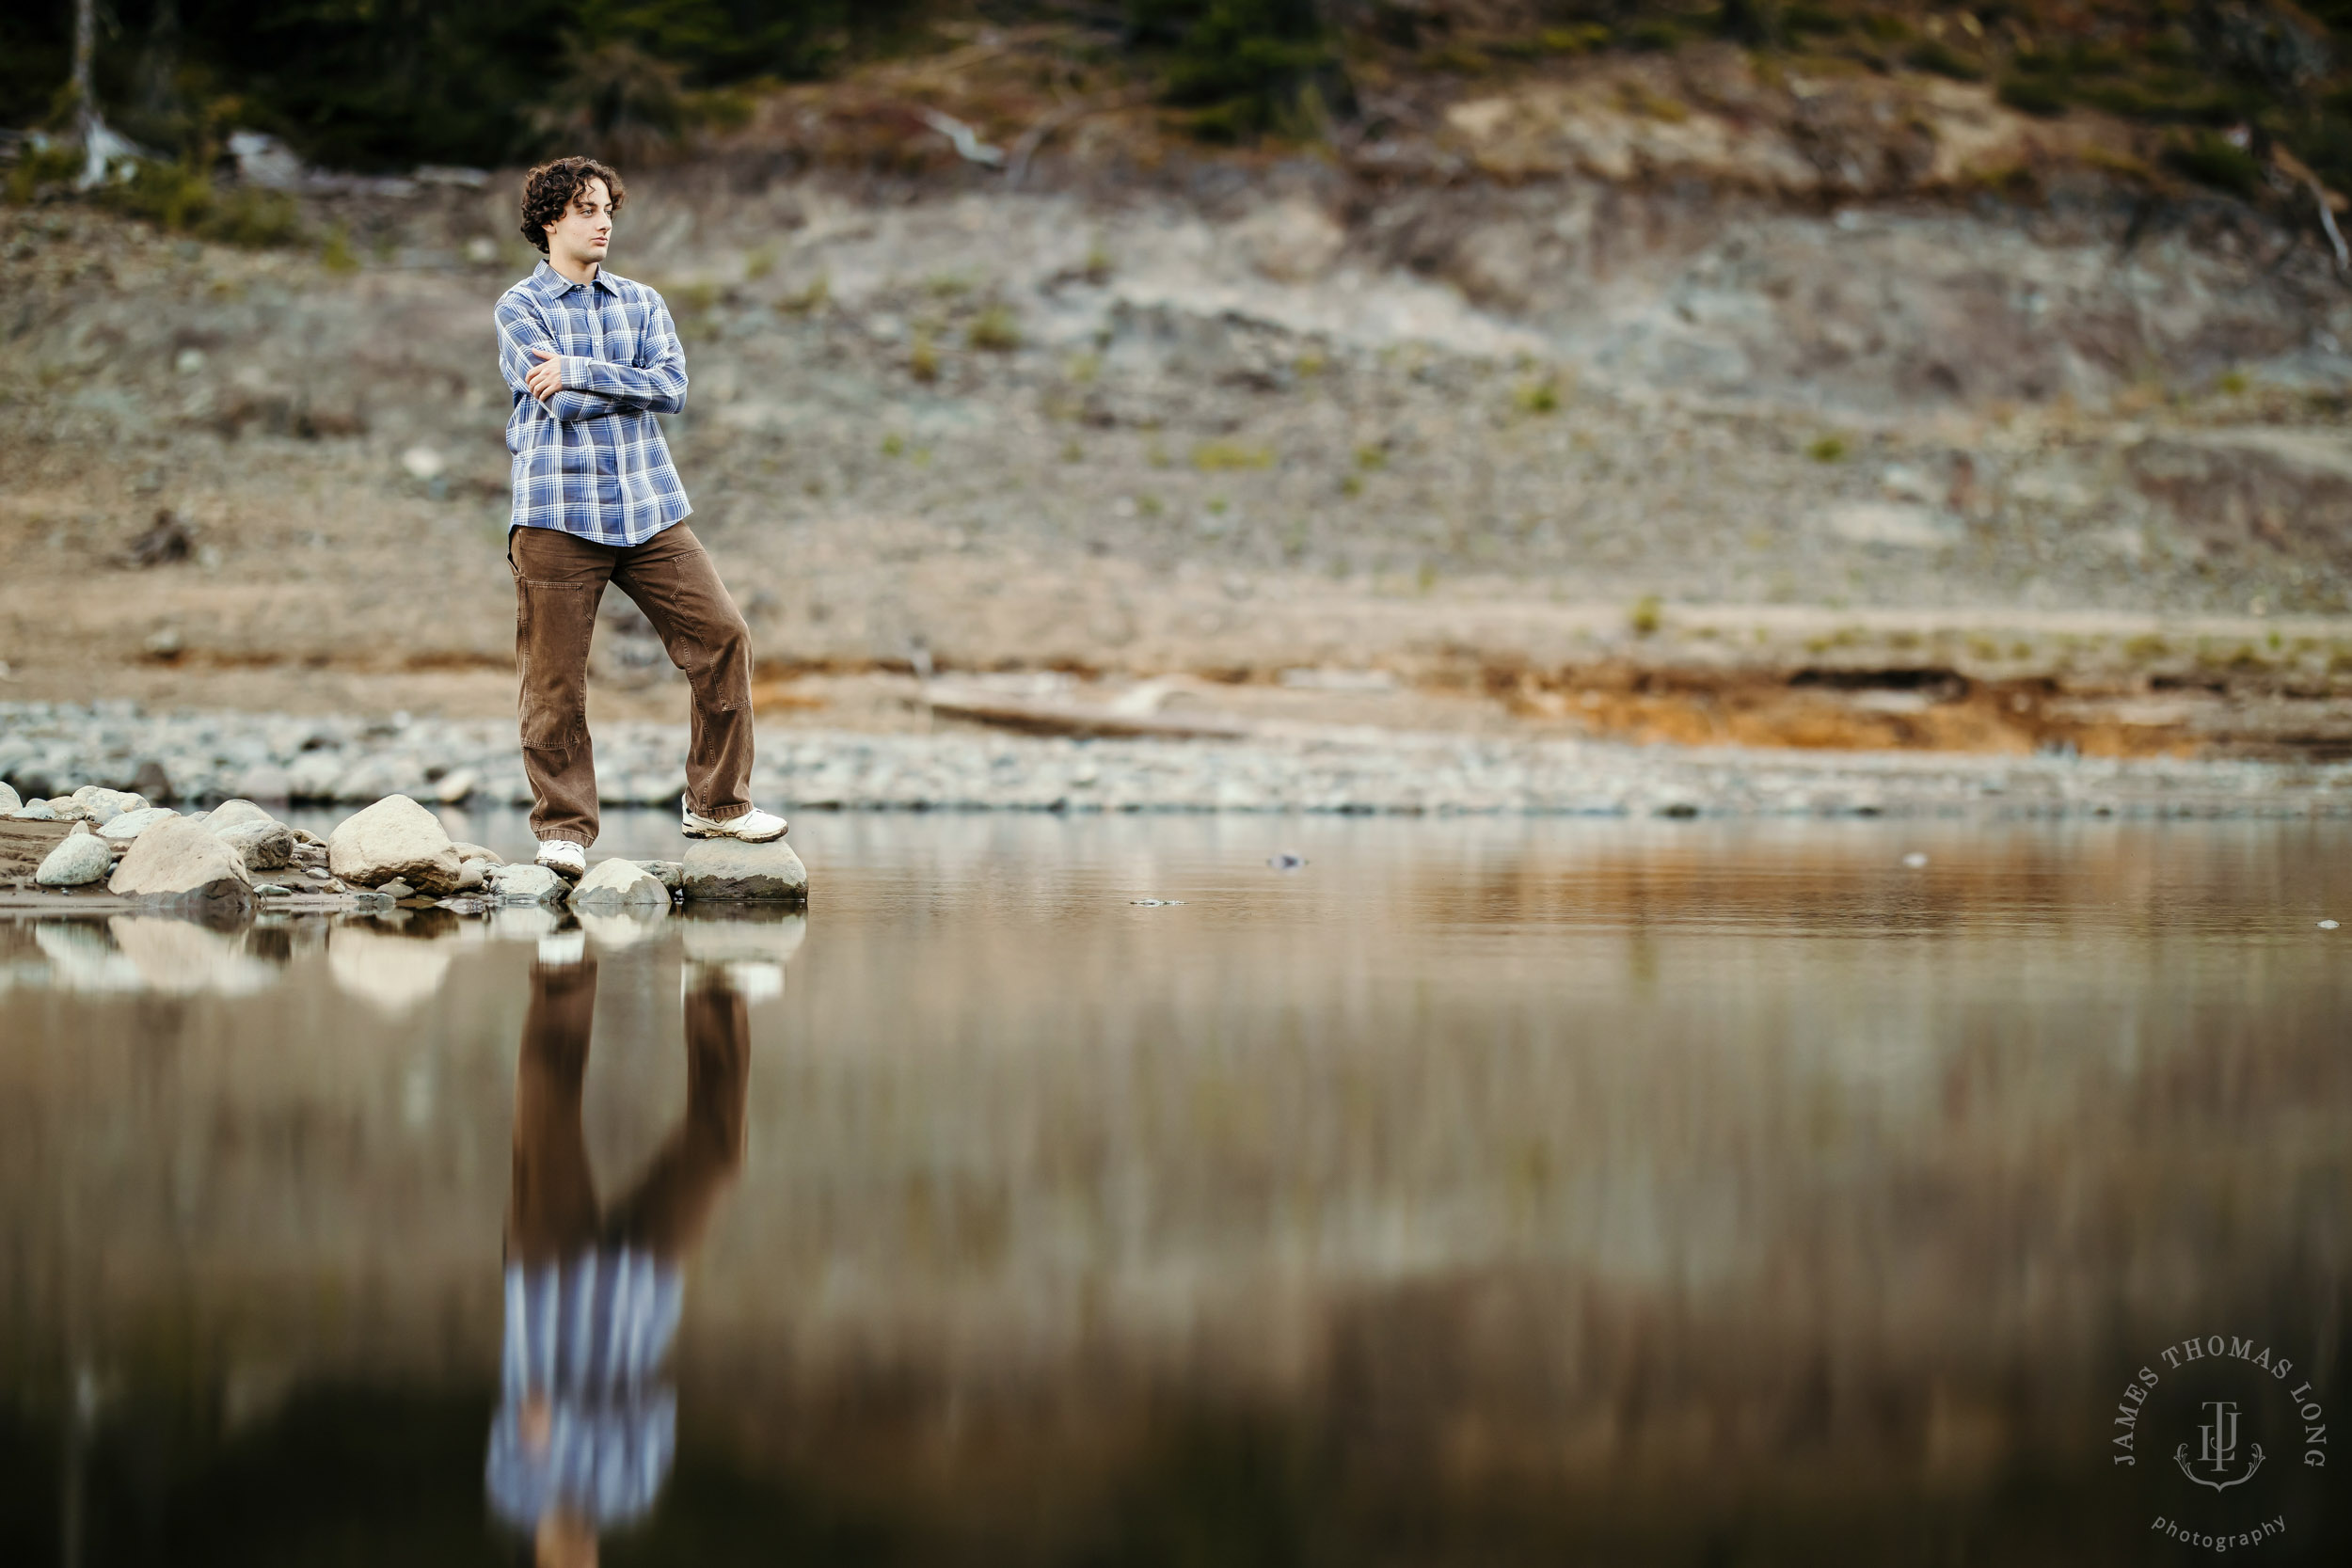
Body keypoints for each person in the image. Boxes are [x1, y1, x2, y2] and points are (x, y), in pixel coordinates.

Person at [494, 155, 787, 882]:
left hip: (649, 506)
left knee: (723, 637)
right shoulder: (518, 309)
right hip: (557, 512)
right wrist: (616, 385)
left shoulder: (643, 301)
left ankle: (718, 803)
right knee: (555, 679)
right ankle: (562, 828)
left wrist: (584, 371)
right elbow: (553, 400)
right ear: (550, 220)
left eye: (608, 212)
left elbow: (672, 388)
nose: (603, 224)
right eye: (587, 210)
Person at [485, 945, 754, 1564]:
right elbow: (654, 1410)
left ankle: (563, 963)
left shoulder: (512, 1487)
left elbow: (527, 1416)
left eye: (564, 1562)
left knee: (546, 1102)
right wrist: (571, 1422)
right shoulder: (631, 1492)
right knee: (718, 1153)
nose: (580, 1555)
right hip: (640, 1290)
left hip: (546, 1276)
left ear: (540, 1554)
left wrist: (574, 1419)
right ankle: (717, 977)